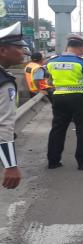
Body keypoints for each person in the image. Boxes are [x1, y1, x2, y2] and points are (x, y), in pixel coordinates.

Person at [46, 35, 83, 170]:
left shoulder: (52, 61)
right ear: (80, 47)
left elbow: (49, 82)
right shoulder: (82, 62)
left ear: (67, 47)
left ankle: (53, 161)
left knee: (57, 129)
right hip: (80, 98)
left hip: (58, 97)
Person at [0, 22, 27, 189]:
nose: (23, 52)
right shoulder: (4, 82)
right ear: (3, 50)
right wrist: (10, 165)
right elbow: (3, 124)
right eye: (18, 47)